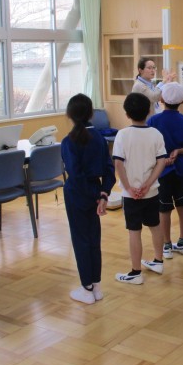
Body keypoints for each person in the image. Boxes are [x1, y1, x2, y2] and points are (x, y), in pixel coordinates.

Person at [61, 94, 116, 304]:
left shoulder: (69, 141)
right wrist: (103, 194)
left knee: (81, 240)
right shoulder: (100, 139)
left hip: (77, 193)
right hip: (95, 190)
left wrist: (95, 195)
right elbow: (109, 169)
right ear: (91, 113)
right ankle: (96, 286)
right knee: (93, 239)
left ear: (70, 115)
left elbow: (75, 174)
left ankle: (86, 288)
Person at [113, 92, 167, 284]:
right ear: (148, 112)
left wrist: (129, 188)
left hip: (131, 195)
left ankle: (136, 272)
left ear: (127, 114)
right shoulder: (156, 134)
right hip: (151, 192)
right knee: (155, 225)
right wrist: (148, 184)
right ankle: (158, 261)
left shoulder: (122, 134)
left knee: (134, 231)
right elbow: (161, 162)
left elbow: (118, 164)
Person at [146, 82, 183, 259]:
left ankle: (166, 245)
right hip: (181, 171)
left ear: (161, 99)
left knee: (164, 208)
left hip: (161, 172)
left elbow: (149, 147)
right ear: (182, 100)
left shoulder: (153, 121)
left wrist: (161, 160)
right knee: (182, 205)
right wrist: (179, 151)